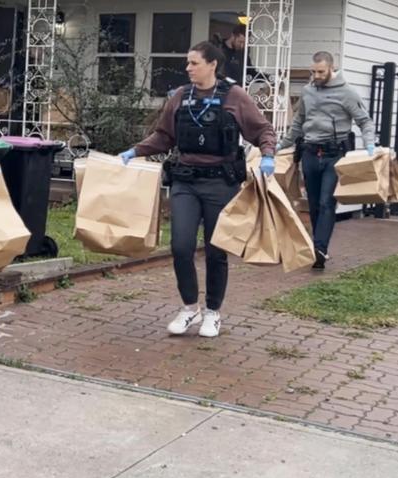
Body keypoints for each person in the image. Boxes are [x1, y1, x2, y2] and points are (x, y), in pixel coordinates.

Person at [119, 41, 276, 338]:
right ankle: (190, 308)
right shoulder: (180, 96)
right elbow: (164, 136)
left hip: (221, 183)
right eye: (188, 63)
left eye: (194, 63)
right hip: (186, 182)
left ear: (212, 64)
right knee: (181, 246)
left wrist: (268, 154)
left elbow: (262, 129)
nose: (188, 68)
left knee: (217, 250)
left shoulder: (235, 96)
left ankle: (213, 312)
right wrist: (134, 151)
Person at [277, 51, 375, 270]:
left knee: (326, 202)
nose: (316, 75)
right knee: (312, 204)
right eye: (313, 71)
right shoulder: (308, 92)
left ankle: (319, 249)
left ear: (332, 68)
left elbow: (364, 121)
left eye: (320, 71)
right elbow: (299, 122)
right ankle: (317, 246)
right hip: (310, 153)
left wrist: (370, 144)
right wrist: (282, 145)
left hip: (334, 154)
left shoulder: (347, 93)